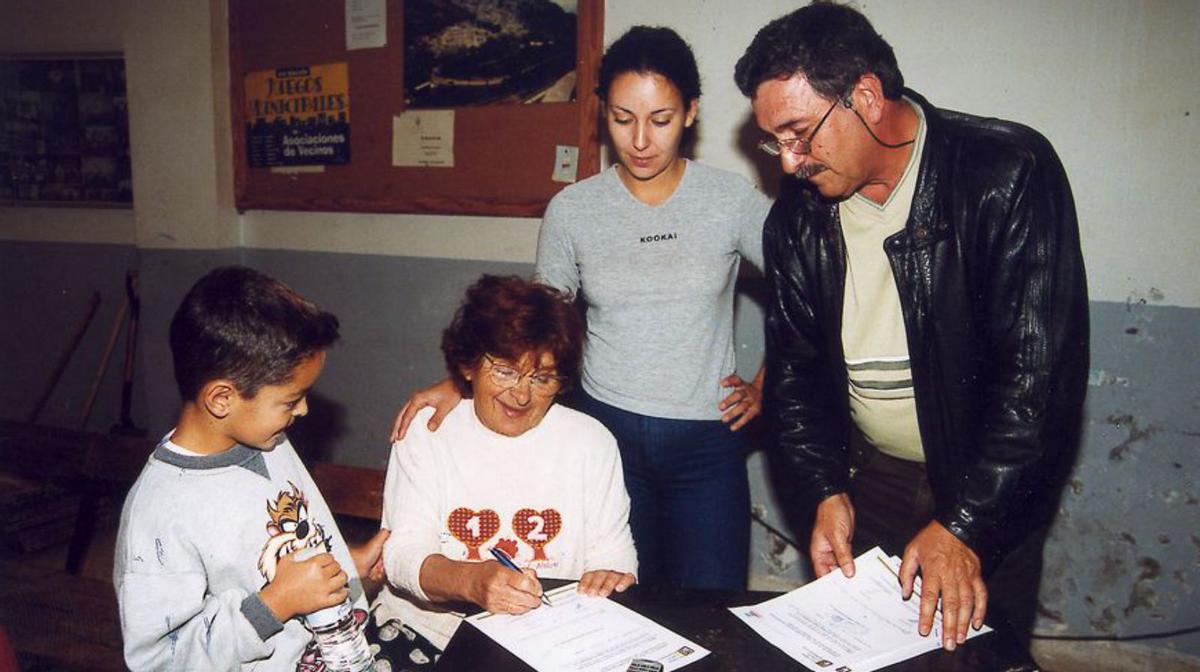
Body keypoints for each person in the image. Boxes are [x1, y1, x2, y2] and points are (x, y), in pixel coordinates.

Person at [734, 1, 1088, 651]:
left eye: (799, 133)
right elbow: (796, 373)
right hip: (873, 480)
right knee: (869, 651)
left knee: (981, 652)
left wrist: (965, 525)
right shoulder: (795, 220)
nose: (787, 162)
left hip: (989, 483)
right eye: (773, 141)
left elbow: (1038, 385)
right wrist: (824, 489)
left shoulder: (1005, 175)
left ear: (865, 96)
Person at [391, 26, 772, 591]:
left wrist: (770, 381)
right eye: (623, 119)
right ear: (602, 114)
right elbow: (542, 326)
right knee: (618, 604)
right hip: (606, 431)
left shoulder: (731, 200)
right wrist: (464, 380)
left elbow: (811, 290)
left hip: (706, 444)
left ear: (691, 112)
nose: (641, 140)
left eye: (660, 120)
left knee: (710, 608)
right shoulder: (574, 209)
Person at [113, 266, 389, 671]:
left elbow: (273, 542)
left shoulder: (269, 439)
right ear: (222, 398)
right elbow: (159, 660)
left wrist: (349, 564)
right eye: (291, 399)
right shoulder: (159, 513)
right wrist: (274, 604)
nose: (303, 409)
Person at [370, 275, 637, 665]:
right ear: (468, 364)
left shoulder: (591, 442)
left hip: (548, 636)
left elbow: (613, 552)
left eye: (542, 378)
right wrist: (472, 581)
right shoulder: (429, 432)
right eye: (506, 371)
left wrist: (612, 575)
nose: (522, 394)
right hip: (430, 633)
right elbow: (402, 557)